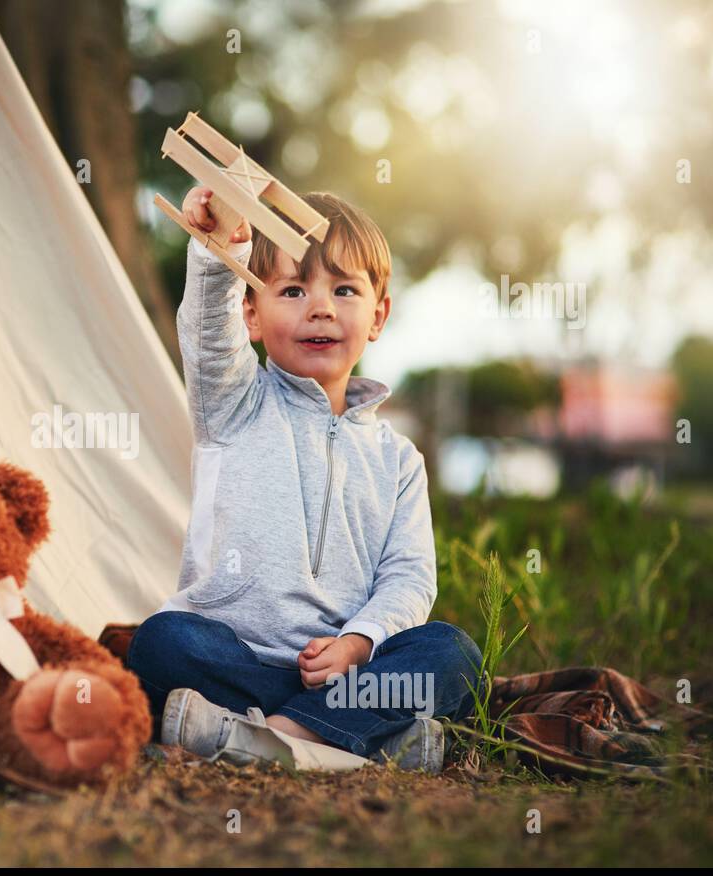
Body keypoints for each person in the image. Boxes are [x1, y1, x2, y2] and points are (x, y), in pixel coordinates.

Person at [127, 186, 483, 774]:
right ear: (251, 314)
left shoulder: (399, 460)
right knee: (161, 642)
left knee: (451, 653)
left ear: (379, 315)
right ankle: (350, 744)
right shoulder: (233, 403)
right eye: (292, 290)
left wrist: (360, 642)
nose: (319, 308)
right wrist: (222, 247)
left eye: (344, 290)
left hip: (346, 676)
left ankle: (269, 737)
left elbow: (409, 577)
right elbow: (208, 337)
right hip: (236, 663)